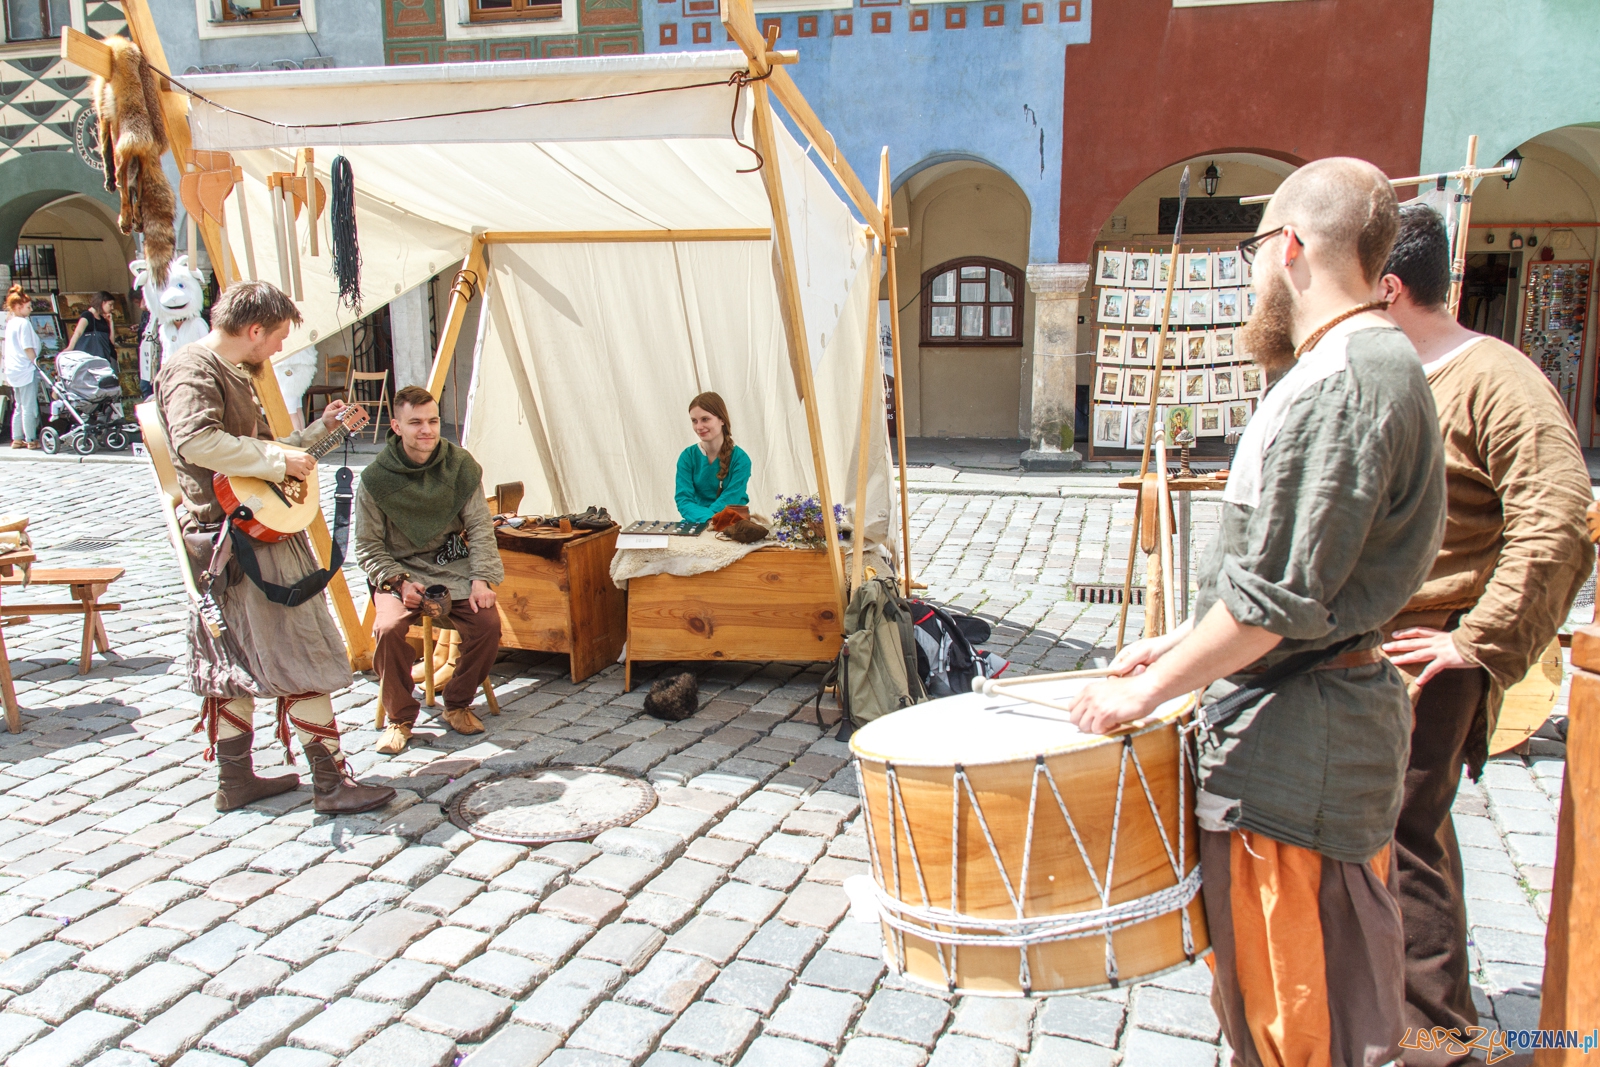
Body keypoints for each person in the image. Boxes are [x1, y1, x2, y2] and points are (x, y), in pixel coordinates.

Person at [1067, 158, 1446, 1067]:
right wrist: (1177, 638)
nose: (1248, 277)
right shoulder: (1340, 366)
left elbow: (1277, 603)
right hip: (1291, 746)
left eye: (1250, 254)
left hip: (1300, 764)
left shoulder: (1347, 379)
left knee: (1300, 1025)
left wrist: (1148, 690)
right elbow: (1278, 578)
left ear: (1289, 249)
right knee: (1267, 1013)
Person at [1376, 204, 1592, 1064]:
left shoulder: (1496, 378)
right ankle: (1399, 1015)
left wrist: (1476, 641)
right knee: (1396, 837)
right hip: (1374, 649)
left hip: (1428, 654)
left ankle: (1440, 1041)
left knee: (1403, 838)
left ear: (1388, 288)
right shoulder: (1389, 372)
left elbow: (1560, 520)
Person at [155, 280, 395, 815]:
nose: (278, 350)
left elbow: (262, 456)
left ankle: (235, 782)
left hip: (238, 532)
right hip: (238, 541)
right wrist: (276, 462)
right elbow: (196, 442)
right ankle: (331, 784)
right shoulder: (194, 368)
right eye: (277, 338)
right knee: (301, 651)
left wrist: (321, 432)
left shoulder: (230, 372)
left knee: (235, 660)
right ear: (254, 328)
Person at [357, 385, 503, 755]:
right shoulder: (375, 479)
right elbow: (368, 546)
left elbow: (481, 527)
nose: (427, 430)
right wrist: (400, 581)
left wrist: (480, 578)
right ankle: (400, 718)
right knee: (388, 629)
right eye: (416, 422)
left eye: (434, 421)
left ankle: (457, 702)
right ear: (396, 425)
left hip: (450, 563)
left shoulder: (460, 465)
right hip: (399, 570)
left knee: (488, 624)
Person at [675, 391, 751, 523]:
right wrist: (707, 519)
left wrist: (710, 519)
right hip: (696, 520)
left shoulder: (740, 459)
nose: (699, 427)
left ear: (722, 419)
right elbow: (683, 499)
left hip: (732, 522)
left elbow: (731, 498)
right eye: (694, 421)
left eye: (705, 419)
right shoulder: (687, 457)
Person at [4, 286, 41, 450]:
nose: (30, 309)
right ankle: (31, 438)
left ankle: (17, 438)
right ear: (19, 307)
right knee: (28, 406)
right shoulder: (23, 324)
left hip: (13, 369)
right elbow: (27, 347)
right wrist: (35, 363)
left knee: (19, 405)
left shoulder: (10, 323)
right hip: (25, 368)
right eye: (28, 307)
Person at [67, 291, 118, 362]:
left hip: (103, 359)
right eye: (110, 305)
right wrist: (70, 348)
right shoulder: (87, 315)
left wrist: (111, 322)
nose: (112, 308)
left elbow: (111, 342)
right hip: (90, 360)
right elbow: (78, 332)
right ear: (103, 303)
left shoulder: (102, 319)